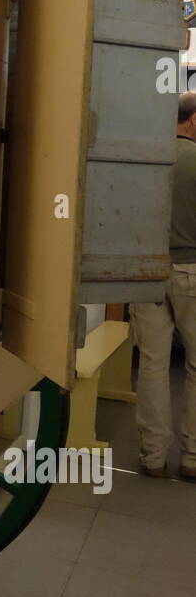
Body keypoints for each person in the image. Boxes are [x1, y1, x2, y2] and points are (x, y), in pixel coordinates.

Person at [130, 91, 196, 478]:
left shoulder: (146, 162)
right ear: (192, 120)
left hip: (147, 273)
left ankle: (152, 457)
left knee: (152, 365)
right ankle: (192, 459)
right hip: (192, 271)